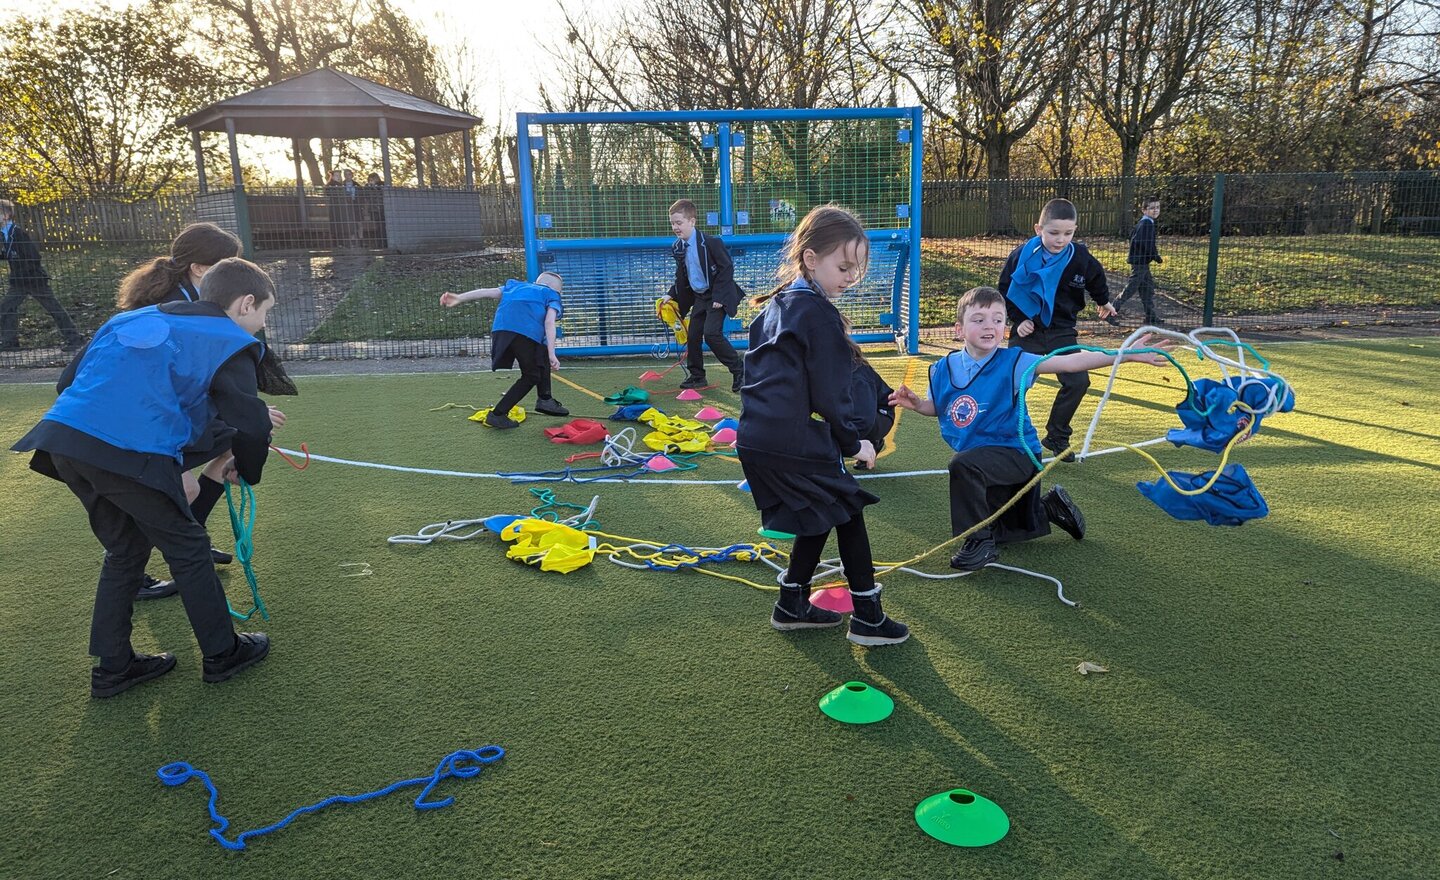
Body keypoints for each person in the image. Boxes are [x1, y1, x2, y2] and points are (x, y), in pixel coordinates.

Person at [11, 257, 280, 697]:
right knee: (189, 547)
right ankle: (223, 653)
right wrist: (248, 471)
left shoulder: (132, 317)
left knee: (126, 550)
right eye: (265, 313)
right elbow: (252, 424)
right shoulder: (230, 340)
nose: (261, 324)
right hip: (125, 451)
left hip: (65, 442)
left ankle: (113, 669)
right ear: (245, 304)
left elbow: (67, 382)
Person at [890, 286, 1172, 571]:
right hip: (983, 460)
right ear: (959, 329)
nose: (990, 326)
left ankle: (979, 544)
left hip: (1017, 455)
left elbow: (1070, 362)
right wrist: (917, 404)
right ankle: (1051, 509)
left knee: (964, 468)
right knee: (1000, 525)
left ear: (1005, 328)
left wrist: (1122, 355)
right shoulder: (941, 367)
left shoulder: (1015, 362)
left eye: (998, 320)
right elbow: (942, 407)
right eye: (979, 320)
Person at [737, 204, 909, 647]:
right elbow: (831, 395)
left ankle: (791, 603)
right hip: (788, 440)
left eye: (857, 269)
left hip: (756, 437)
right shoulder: (818, 314)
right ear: (810, 259)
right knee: (848, 510)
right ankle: (868, 616)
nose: (851, 277)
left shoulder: (776, 305)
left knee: (821, 510)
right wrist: (856, 443)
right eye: (843, 266)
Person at [115, 222, 294, 599]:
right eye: (227, 261)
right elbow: (162, 383)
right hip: (133, 424)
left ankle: (190, 542)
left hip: (160, 415)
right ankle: (142, 562)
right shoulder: (167, 309)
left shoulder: (208, 305)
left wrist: (245, 413)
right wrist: (246, 417)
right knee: (179, 486)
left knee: (226, 444)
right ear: (199, 268)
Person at [998, 197, 1118, 462]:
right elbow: (1005, 289)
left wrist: (1104, 302)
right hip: (1028, 331)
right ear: (1038, 229)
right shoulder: (1021, 256)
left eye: (1068, 233)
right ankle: (1007, 438)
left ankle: (1057, 435)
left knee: (1078, 381)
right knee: (1011, 385)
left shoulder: (1080, 257)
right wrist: (1019, 319)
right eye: (1054, 233)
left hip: (1062, 330)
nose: (1061, 239)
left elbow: (1095, 278)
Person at [440, 271, 568, 428]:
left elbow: (486, 292)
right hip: (524, 333)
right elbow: (549, 323)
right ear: (557, 290)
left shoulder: (515, 286)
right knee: (531, 375)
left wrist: (459, 298)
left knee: (538, 353)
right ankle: (497, 414)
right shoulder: (551, 295)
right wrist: (552, 353)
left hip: (501, 331)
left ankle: (545, 399)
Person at [661, 199, 745, 392]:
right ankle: (697, 376)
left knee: (712, 334)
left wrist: (719, 297)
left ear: (692, 221)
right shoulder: (678, 247)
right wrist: (670, 294)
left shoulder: (711, 243)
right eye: (672, 223)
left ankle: (740, 370)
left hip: (717, 295)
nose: (675, 227)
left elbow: (726, 269)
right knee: (693, 335)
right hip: (700, 297)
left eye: (679, 223)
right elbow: (682, 276)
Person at [0, 199, 84, 351]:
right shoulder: (5, 234)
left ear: (6, 215)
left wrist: (25, 271)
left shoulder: (18, 233)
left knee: (53, 308)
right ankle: (10, 342)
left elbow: (34, 256)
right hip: (18, 281)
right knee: (6, 308)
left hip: (33, 279)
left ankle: (74, 339)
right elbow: (10, 254)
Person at [1111, 197, 1163, 326]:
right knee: (1130, 288)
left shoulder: (1146, 223)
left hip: (1142, 261)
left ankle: (1150, 316)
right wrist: (1155, 255)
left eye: (1157, 207)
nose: (1155, 210)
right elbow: (1144, 242)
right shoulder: (1146, 224)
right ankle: (1110, 312)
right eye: (1152, 208)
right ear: (1144, 210)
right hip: (1140, 262)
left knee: (1147, 288)